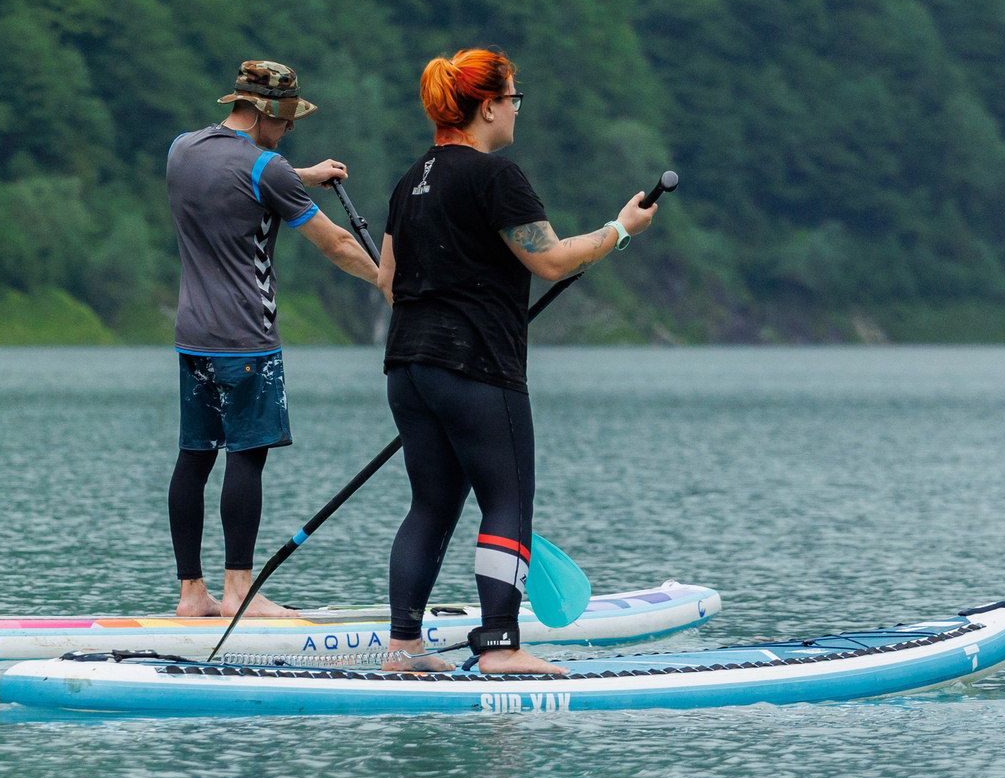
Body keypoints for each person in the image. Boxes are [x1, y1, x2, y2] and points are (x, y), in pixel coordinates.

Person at [374, 49, 656, 674]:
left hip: (408, 368)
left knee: (431, 504)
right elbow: (552, 260)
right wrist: (622, 229)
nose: (516, 111)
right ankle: (502, 645)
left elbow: (388, 281)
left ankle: (403, 648)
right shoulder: (495, 176)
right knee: (508, 500)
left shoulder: (408, 181)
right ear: (488, 106)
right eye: (513, 100)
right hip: (477, 367)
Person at [165, 60, 384, 618]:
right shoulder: (267, 168)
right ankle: (239, 589)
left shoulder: (182, 151)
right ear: (265, 112)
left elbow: (239, 178)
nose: (290, 131)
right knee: (247, 456)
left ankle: (192, 594)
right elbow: (335, 242)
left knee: (194, 458)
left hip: (193, 338)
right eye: (286, 121)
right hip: (247, 338)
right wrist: (388, 283)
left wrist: (299, 175)